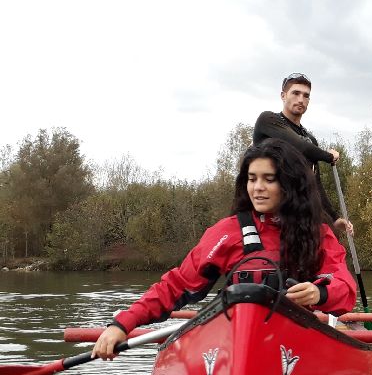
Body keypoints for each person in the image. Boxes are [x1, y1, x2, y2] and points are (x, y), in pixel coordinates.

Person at [92, 139, 357, 360]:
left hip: (293, 346)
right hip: (235, 345)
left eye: (269, 179)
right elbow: (175, 285)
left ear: (290, 185)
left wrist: (318, 292)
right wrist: (121, 324)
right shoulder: (227, 232)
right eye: (252, 179)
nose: (258, 188)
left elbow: (345, 289)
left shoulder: (317, 234)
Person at [253, 72, 353, 235]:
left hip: (300, 221)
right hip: (267, 219)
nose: (301, 99)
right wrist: (329, 156)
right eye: (295, 93)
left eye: (306, 96)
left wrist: (334, 218)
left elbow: (316, 184)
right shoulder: (268, 121)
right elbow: (300, 146)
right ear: (283, 96)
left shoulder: (310, 140)